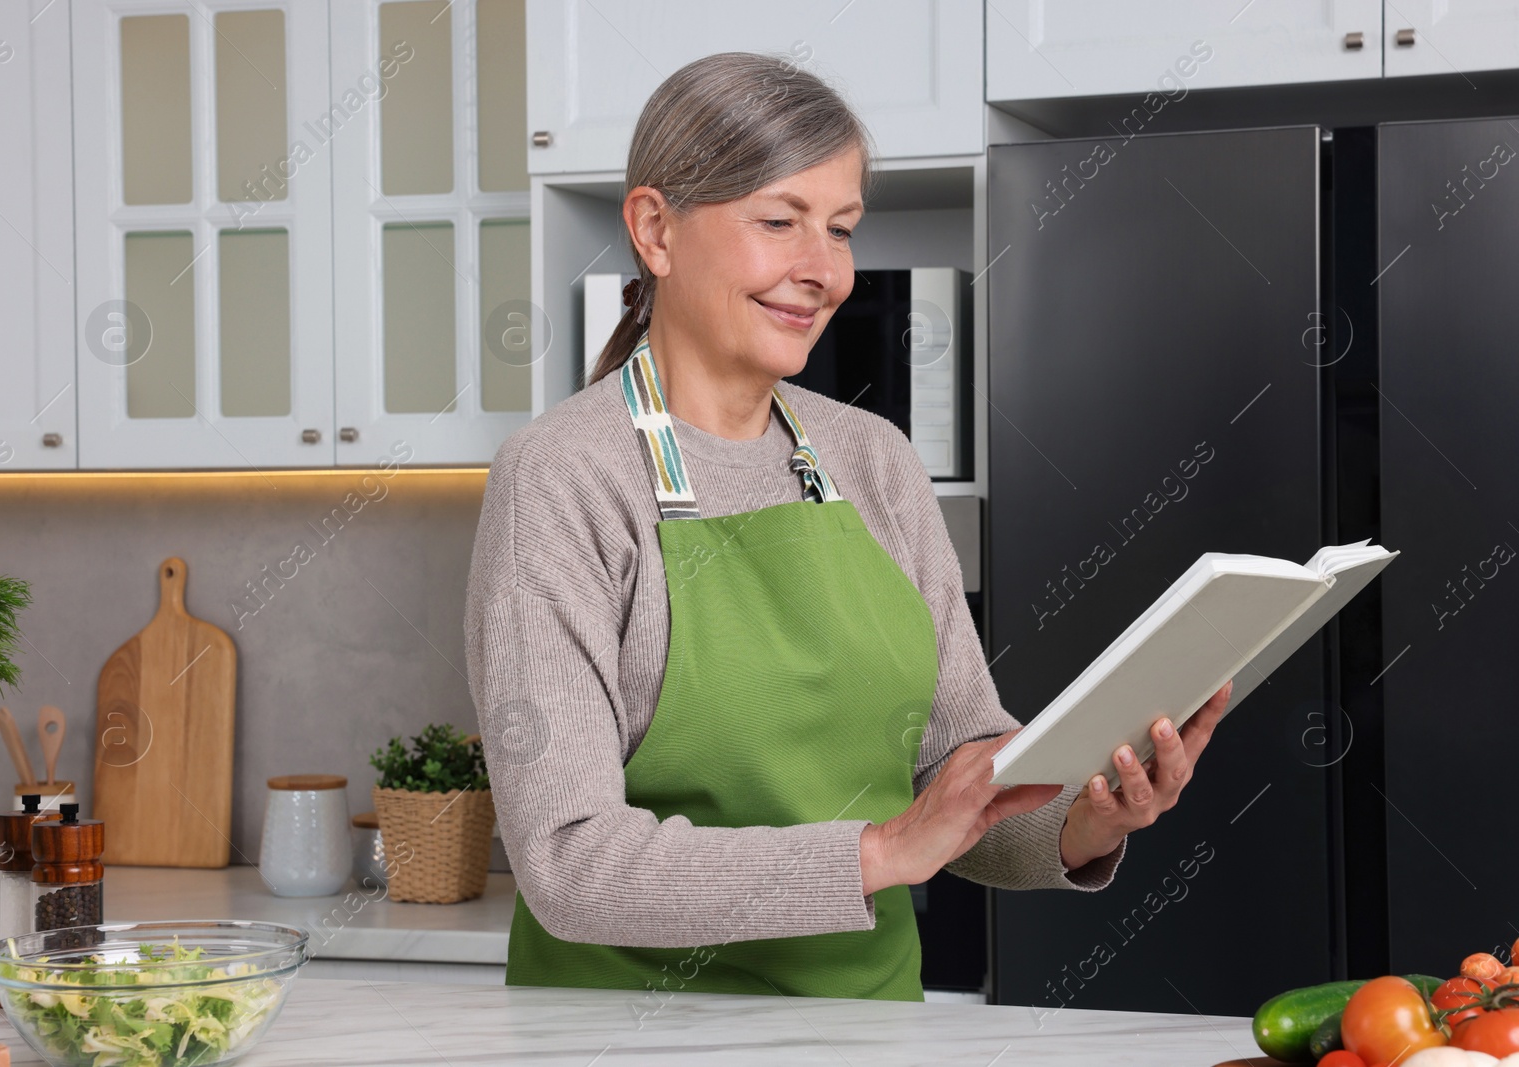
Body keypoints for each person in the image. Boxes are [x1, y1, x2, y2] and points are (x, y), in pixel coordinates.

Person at [464, 51, 1230, 1003]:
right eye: (780, 221)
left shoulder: (874, 459)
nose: (822, 271)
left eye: (841, 228)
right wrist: (879, 851)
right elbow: (569, 865)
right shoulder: (564, 475)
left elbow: (964, 784)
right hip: (630, 1033)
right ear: (655, 229)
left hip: (864, 1030)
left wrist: (1091, 816)